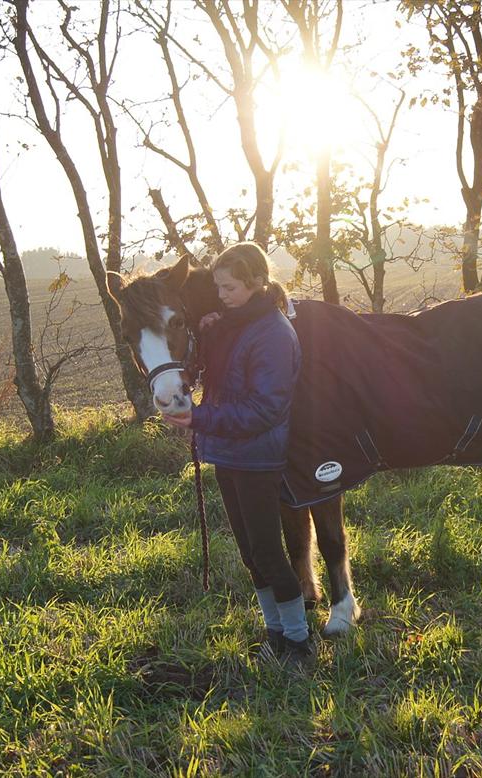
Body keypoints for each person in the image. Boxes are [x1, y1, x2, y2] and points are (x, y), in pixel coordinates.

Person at [161, 242, 311, 667]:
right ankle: (275, 633)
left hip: (258, 457)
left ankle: (299, 643)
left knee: (268, 551)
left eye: (229, 288)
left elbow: (265, 409)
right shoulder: (231, 323)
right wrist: (206, 342)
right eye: (218, 287)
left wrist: (199, 419)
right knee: (249, 553)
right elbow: (214, 373)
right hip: (228, 453)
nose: (221, 296)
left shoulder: (274, 334)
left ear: (258, 283)